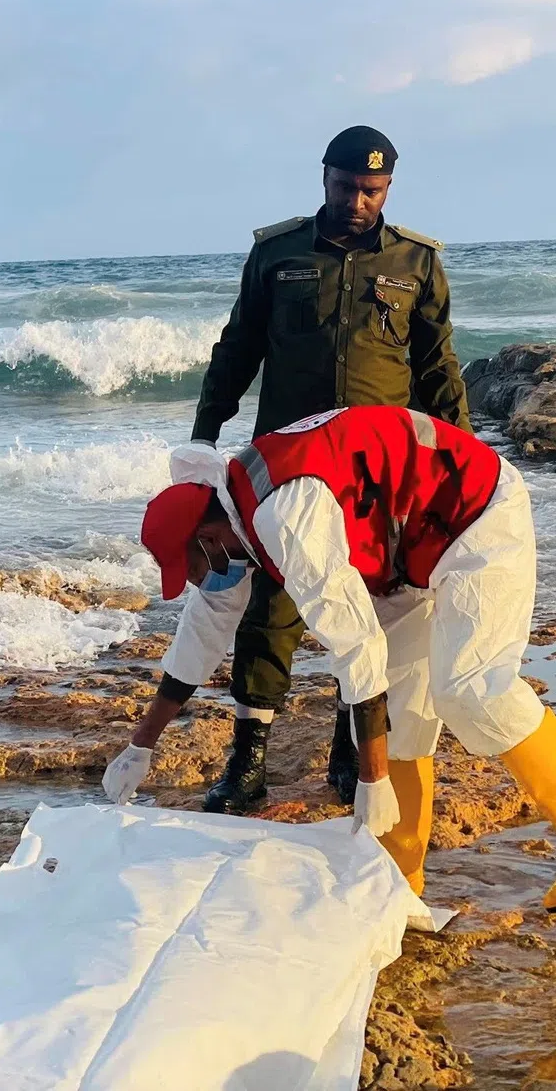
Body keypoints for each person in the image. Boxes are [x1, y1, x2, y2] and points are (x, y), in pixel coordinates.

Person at [102, 406, 556, 911]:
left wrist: (372, 779)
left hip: (474, 512)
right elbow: (203, 632)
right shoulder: (232, 513)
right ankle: (403, 873)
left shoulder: (285, 517)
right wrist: (140, 746)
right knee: (397, 712)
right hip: (402, 549)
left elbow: (356, 645)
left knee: (472, 688)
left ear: (211, 538)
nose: (198, 582)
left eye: (192, 569)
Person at [182, 125, 473, 815]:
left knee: (372, 608)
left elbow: (436, 366)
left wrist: (460, 463)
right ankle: (247, 757)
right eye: (346, 187)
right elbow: (236, 352)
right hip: (285, 467)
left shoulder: (417, 261)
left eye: (372, 190)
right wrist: (201, 445)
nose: (357, 201)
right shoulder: (277, 255)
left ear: (389, 188)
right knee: (271, 606)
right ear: (324, 178)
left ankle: (353, 749)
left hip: (379, 476)